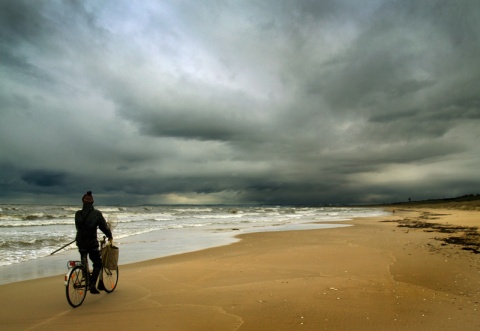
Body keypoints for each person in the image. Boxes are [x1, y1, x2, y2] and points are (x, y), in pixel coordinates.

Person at [75, 191, 113, 294]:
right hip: (91, 243)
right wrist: (110, 235)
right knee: (97, 263)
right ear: (92, 202)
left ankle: (86, 277)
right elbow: (104, 227)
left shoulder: (78, 214)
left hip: (80, 242)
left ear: (83, 201)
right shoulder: (96, 214)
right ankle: (92, 284)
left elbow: (78, 228)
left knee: (84, 261)